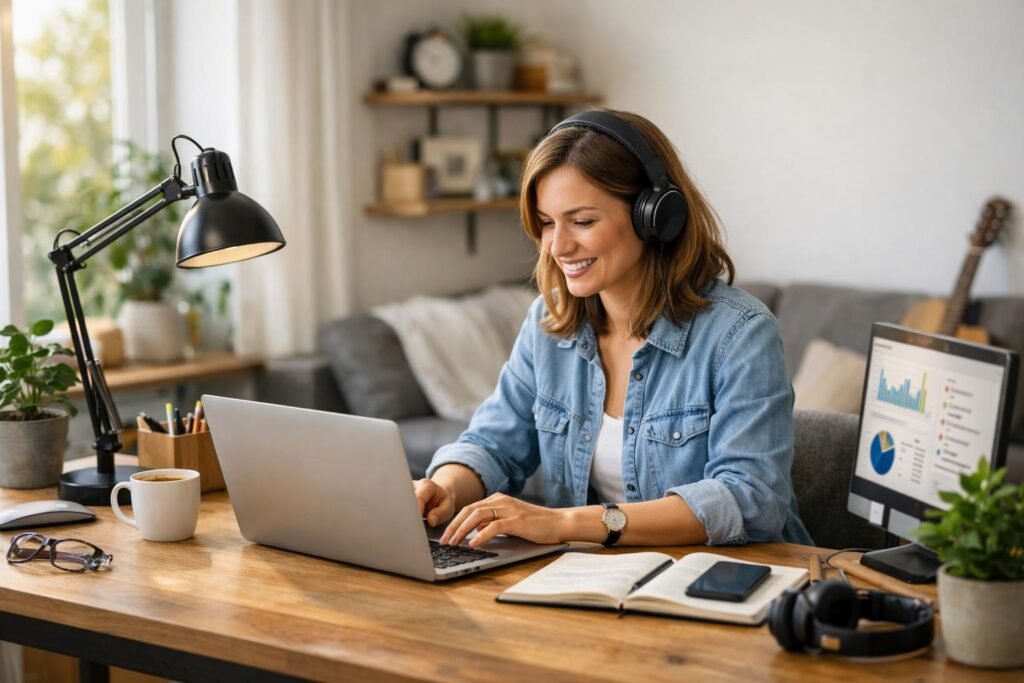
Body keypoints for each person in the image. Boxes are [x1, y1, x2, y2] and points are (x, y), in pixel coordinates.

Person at [415, 109, 813, 549]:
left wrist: (568, 523)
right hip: (597, 583)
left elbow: (751, 499)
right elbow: (493, 443)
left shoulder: (740, 334)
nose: (559, 246)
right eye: (547, 223)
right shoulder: (549, 325)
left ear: (655, 216)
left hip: (724, 580)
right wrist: (447, 486)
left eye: (582, 222)